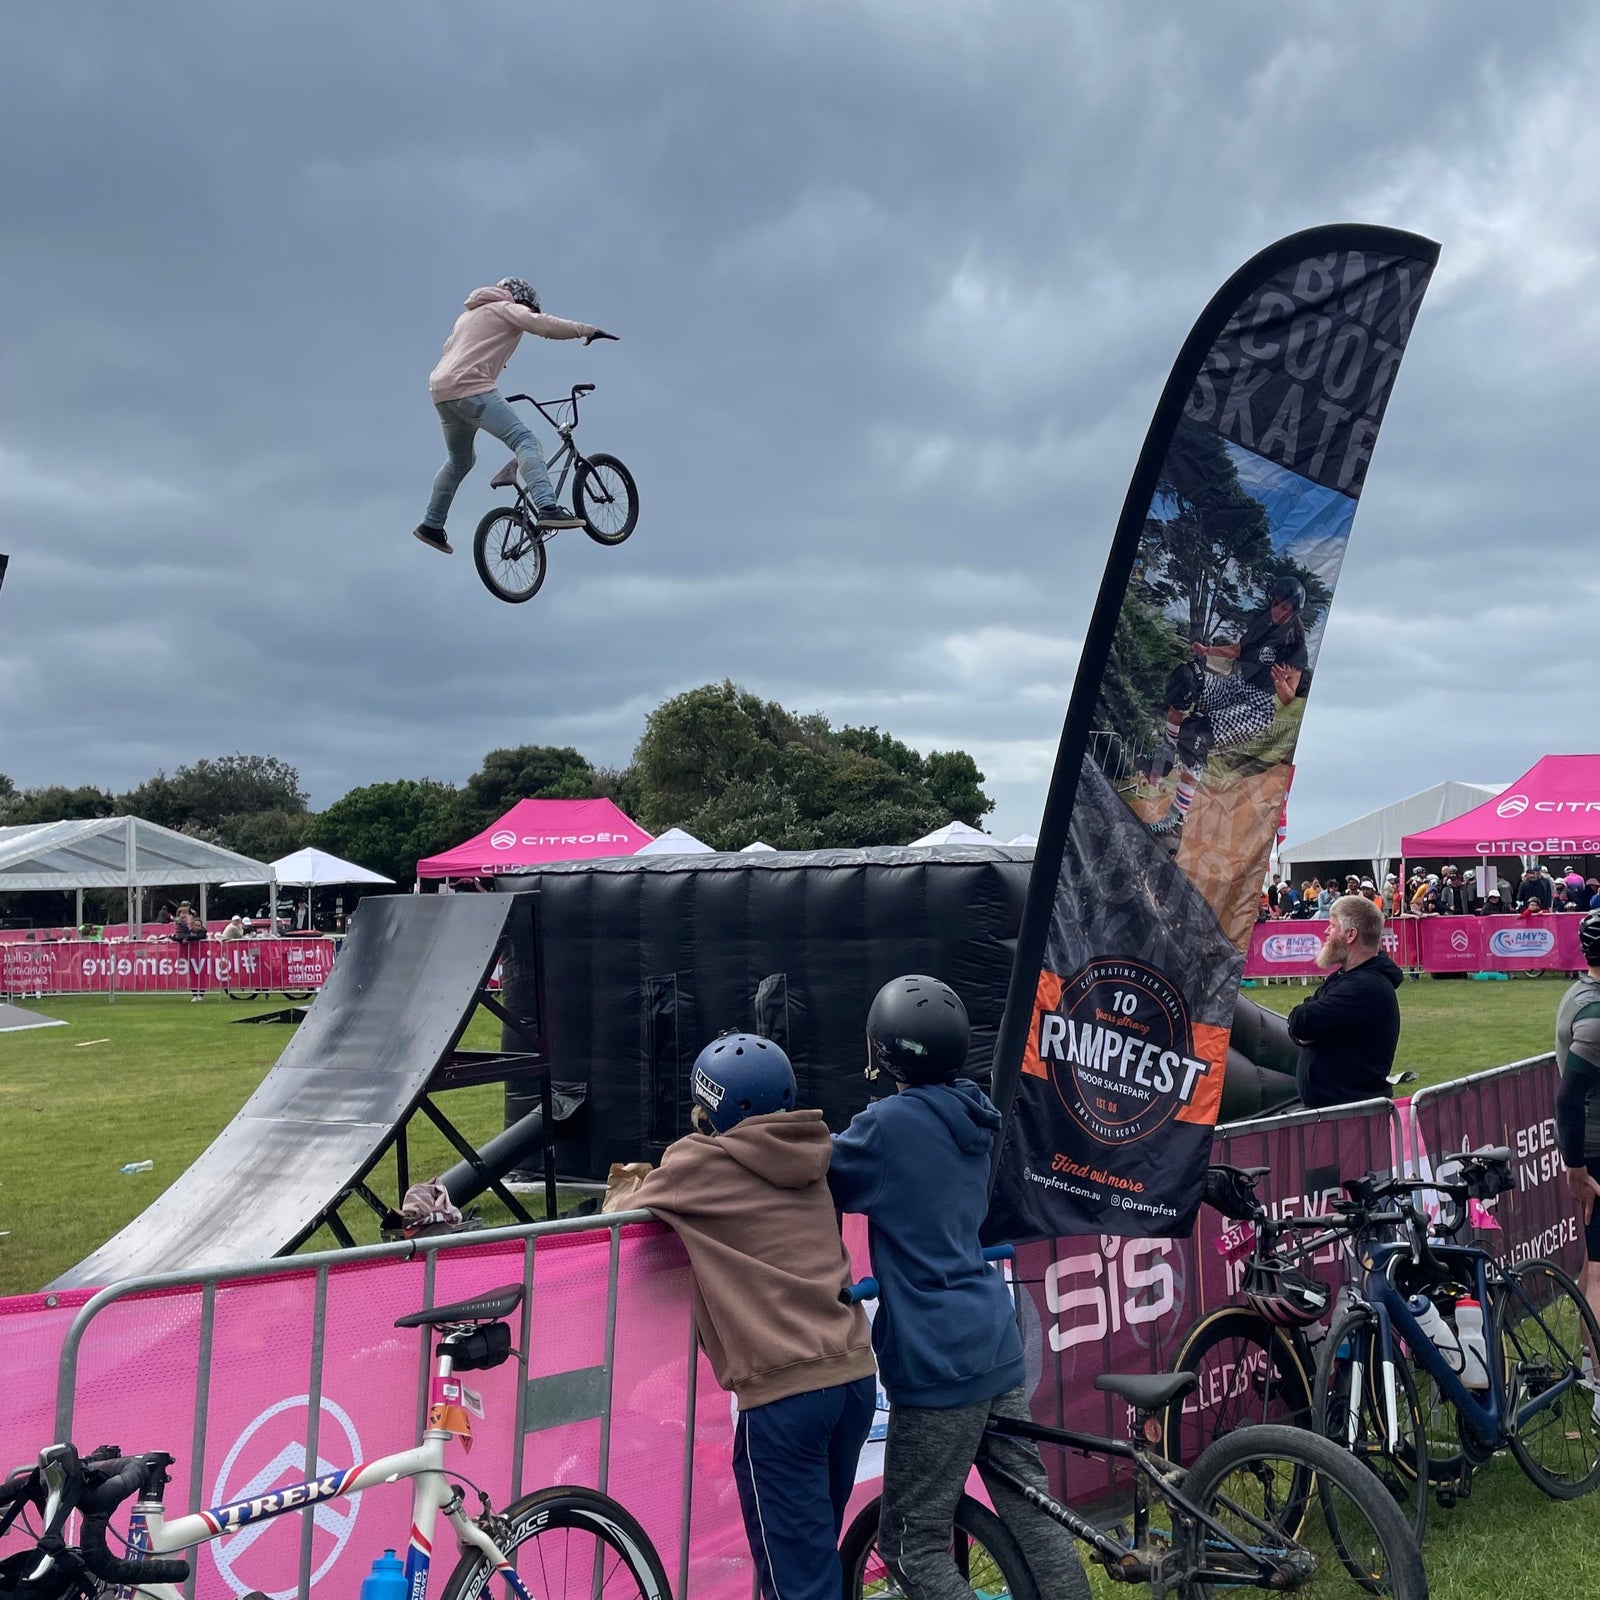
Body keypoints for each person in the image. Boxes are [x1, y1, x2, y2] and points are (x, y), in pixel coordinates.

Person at [827, 975, 1090, 1600]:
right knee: (1032, 1514)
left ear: (883, 1052)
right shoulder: (974, 1111)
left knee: (911, 1547)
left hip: (937, 1360)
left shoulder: (886, 1128)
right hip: (995, 1345)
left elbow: (819, 1173)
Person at [605, 1034, 876, 1600]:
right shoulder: (814, 1149)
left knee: (795, 1584)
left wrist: (631, 1174)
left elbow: (619, 1211)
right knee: (814, 1558)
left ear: (712, 1111)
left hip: (783, 1394)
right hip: (851, 1375)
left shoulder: (697, 1164)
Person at [413, 279, 618, 555]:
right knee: (526, 441)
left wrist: (494, 358)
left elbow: (451, 348)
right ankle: (547, 506)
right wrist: (585, 330)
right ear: (524, 302)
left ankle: (431, 525)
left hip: (441, 392)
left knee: (460, 460)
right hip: (472, 388)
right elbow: (544, 325)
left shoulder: (468, 316)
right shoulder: (507, 308)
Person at [1143, 575, 1309, 848]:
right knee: (1186, 678)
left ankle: (1175, 823)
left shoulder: (1295, 647)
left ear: (1294, 612)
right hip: (1234, 686)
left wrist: (1282, 687)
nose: (1278, 611)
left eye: (1285, 608)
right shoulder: (1261, 624)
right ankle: (1164, 754)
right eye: (1276, 604)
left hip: (1259, 706)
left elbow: (1290, 698)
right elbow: (1238, 650)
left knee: (1196, 735)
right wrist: (1207, 650)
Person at [1286, 895, 1404, 1108]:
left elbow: (1301, 1021)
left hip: (1350, 1117)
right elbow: (1303, 1021)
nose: (1326, 932)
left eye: (1332, 926)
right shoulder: (1346, 978)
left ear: (1350, 935)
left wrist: (1307, 1032)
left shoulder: (1365, 986)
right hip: (1336, 1112)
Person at [1554, 910, 1600, 1410]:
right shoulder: (1594, 1013)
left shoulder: (1581, 995)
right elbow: (1569, 1098)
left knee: (1595, 1263)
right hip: (1595, 1151)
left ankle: (1590, 1368)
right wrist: (1578, 1170)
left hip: (1589, 1147)